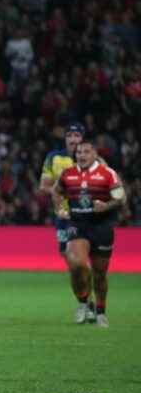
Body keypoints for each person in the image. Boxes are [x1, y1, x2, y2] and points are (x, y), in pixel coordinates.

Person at [52, 140, 125, 328]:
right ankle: (84, 302)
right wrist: (59, 208)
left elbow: (120, 198)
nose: (81, 156)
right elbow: (57, 192)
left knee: (100, 274)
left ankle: (100, 311)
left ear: (94, 155)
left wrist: (106, 205)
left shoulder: (107, 173)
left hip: (102, 226)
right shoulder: (68, 174)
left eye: (86, 152)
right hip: (78, 224)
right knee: (76, 265)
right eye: (78, 153)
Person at [39, 122, 98, 321]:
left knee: (80, 260)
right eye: (69, 135)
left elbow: (106, 181)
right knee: (71, 263)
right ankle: (85, 302)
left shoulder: (92, 158)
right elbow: (44, 186)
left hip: (86, 216)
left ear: (83, 139)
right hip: (63, 216)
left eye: (77, 135)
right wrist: (61, 190)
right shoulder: (54, 158)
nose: (73, 139)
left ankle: (87, 304)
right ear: (65, 138)